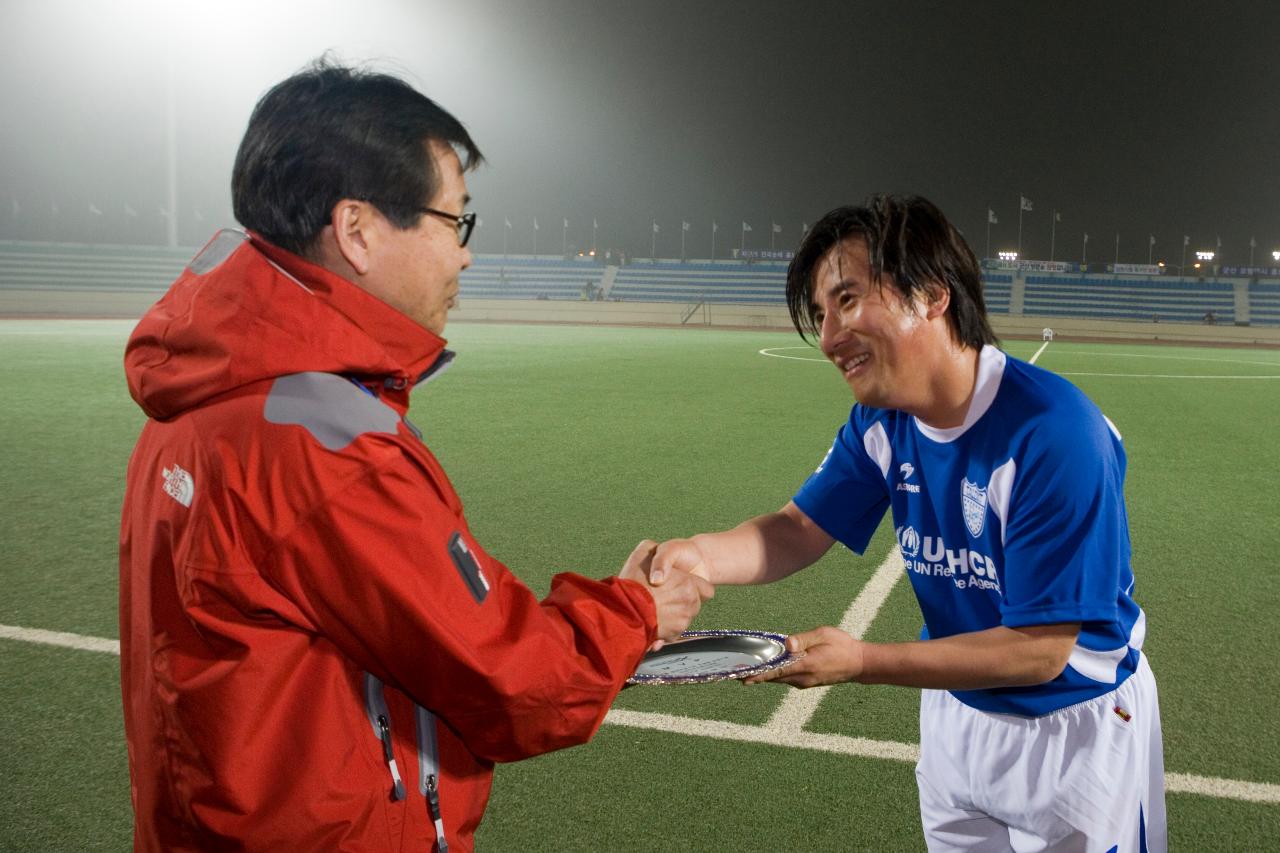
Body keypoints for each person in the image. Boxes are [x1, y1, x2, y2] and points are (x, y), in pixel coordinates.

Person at [118, 60, 712, 852]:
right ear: (359, 230)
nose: (463, 256)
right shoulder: (324, 444)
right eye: (452, 222)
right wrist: (638, 609)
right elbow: (515, 683)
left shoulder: (198, 394)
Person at [647, 195, 1165, 851]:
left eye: (848, 298)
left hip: (1073, 731)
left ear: (931, 293)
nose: (830, 335)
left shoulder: (1056, 434)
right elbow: (797, 527)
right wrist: (695, 554)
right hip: (956, 716)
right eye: (820, 313)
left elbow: (1039, 649)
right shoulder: (882, 421)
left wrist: (862, 659)